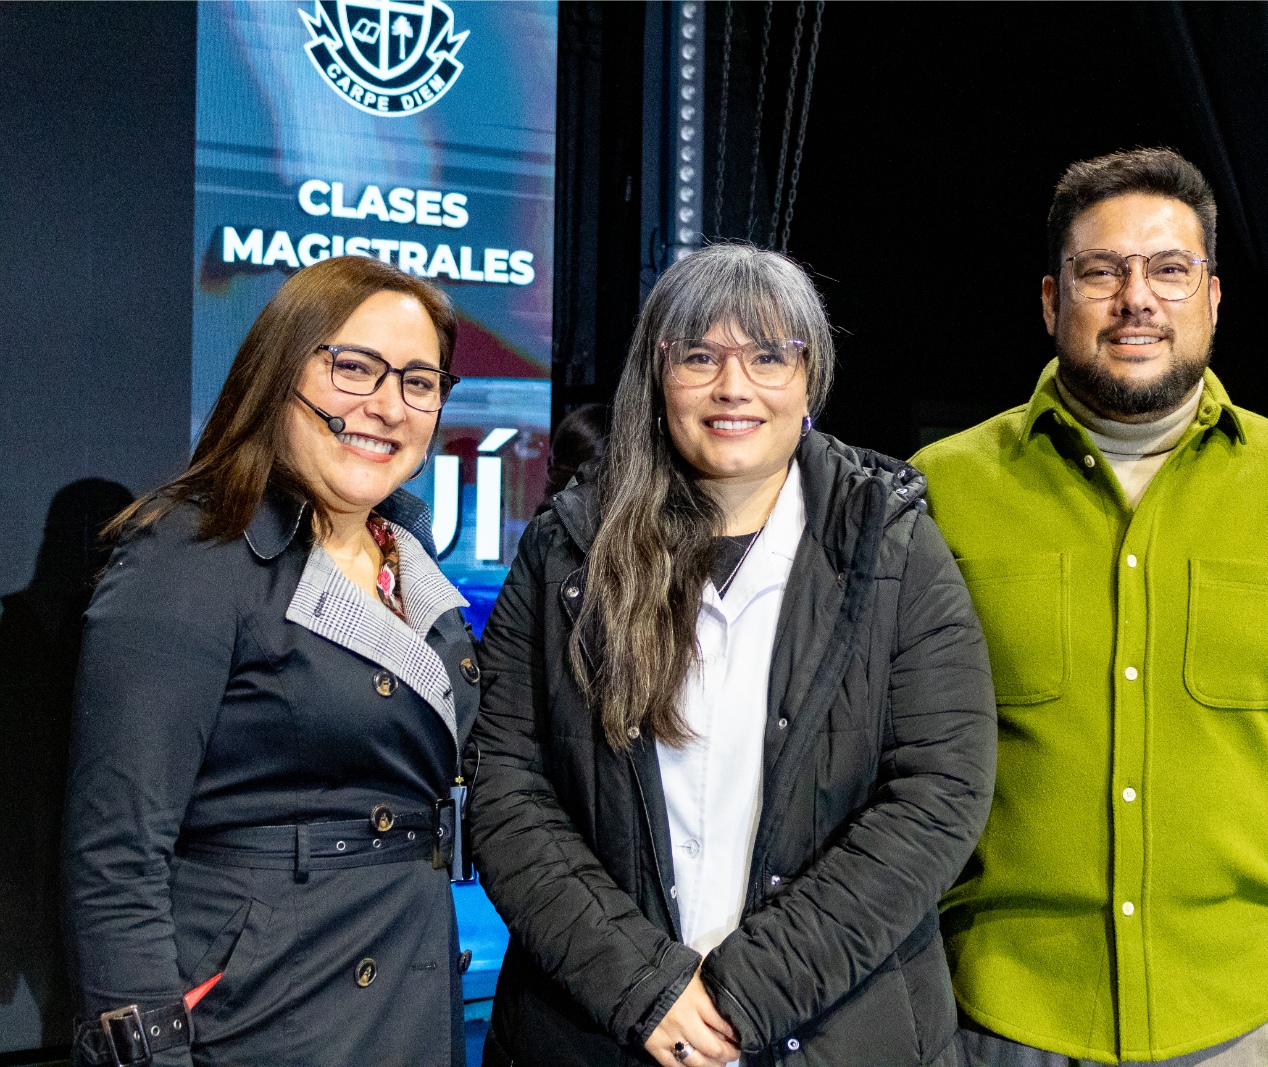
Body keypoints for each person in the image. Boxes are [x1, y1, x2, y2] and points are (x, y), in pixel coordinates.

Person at [911, 148, 1268, 1067]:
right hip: (996, 1013)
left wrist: (1251, 832)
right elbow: (886, 732)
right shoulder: (938, 492)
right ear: (1051, 300)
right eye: (1100, 271)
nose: (1136, 298)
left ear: (1213, 298)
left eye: (1169, 270)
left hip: (1230, 1016)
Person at [468, 243, 997, 1067]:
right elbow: (507, 788)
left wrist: (742, 993)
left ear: (809, 379)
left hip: (835, 1031)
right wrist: (642, 988)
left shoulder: (891, 547)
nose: (733, 386)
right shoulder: (565, 551)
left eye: (768, 356)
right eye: (699, 357)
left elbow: (940, 791)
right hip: (595, 1031)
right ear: (657, 375)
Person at [64, 256, 480, 1067]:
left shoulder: (407, 553)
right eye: (355, 367)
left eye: (420, 381)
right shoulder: (191, 551)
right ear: (279, 371)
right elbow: (115, 857)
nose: (388, 405)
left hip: (409, 994)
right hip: (262, 1021)